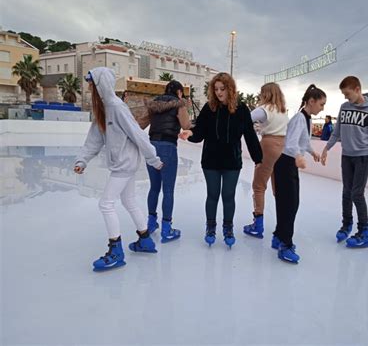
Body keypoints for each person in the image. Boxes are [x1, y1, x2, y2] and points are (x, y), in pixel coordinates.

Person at [74, 67, 163, 272]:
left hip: (125, 163)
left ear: (99, 85)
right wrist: (82, 160)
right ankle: (145, 240)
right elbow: (94, 140)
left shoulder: (116, 106)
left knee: (106, 204)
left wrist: (153, 159)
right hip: (122, 162)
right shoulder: (103, 109)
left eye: (91, 83)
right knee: (129, 200)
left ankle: (116, 251)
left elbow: (137, 134)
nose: (88, 87)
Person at [179, 72, 262, 248]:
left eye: (222, 89)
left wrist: (258, 158)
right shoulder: (209, 108)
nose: (218, 92)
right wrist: (190, 133)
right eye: (215, 89)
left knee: (228, 195)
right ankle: (210, 227)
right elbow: (199, 131)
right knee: (213, 194)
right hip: (211, 160)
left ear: (230, 89)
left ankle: (228, 227)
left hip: (232, 161)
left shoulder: (241, 109)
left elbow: (249, 135)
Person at [321, 76, 368, 248]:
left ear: (357, 89)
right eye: (343, 94)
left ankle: (364, 231)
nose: (345, 97)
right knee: (346, 192)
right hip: (347, 155)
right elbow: (337, 131)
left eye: (347, 94)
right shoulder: (344, 107)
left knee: (357, 193)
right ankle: (347, 224)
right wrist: (327, 148)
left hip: (363, 156)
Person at [272, 84, 326, 263]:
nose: (322, 108)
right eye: (321, 104)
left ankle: (279, 236)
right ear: (311, 101)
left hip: (288, 164)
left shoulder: (306, 118)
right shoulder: (299, 118)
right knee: (290, 204)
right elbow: (291, 143)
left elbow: (303, 141)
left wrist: (312, 152)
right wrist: (298, 157)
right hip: (286, 163)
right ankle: (285, 244)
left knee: (287, 203)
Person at [144, 80, 192, 243]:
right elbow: (186, 125)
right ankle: (166, 228)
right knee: (168, 190)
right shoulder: (179, 104)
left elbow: (140, 123)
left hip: (151, 146)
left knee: (154, 188)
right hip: (168, 147)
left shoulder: (153, 104)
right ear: (179, 92)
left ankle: (151, 223)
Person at [243, 82, 289, 239]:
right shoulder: (283, 111)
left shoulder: (264, 110)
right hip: (284, 146)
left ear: (266, 94)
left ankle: (258, 224)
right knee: (280, 189)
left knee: (259, 186)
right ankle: (282, 226)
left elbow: (245, 120)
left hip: (269, 145)